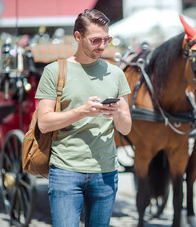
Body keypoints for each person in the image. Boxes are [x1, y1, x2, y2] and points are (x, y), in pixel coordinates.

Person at [35, 9, 132, 227]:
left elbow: (126, 128)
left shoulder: (116, 73)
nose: (102, 45)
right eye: (95, 40)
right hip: (65, 171)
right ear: (78, 37)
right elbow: (44, 122)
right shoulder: (55, 71)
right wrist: (81, 111)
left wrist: (117, 114)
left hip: (106, 172)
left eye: (106, 39)